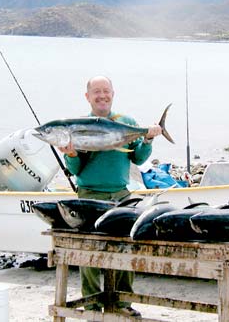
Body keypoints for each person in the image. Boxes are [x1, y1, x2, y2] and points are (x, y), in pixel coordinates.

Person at [58, 75, 162, 317]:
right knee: (88, 252)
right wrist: (71, 154)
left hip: (121, 195)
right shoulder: (77, 125)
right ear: (87, 97)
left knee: (126, 248)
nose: (102, 95)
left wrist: (147, 139)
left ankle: (122, 303)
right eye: (96, 91)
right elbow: (74, 170)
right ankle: (93, 304)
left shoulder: (127, 122)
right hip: (89, 194)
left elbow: (137, 158)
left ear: (113, 94)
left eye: (106, 90)